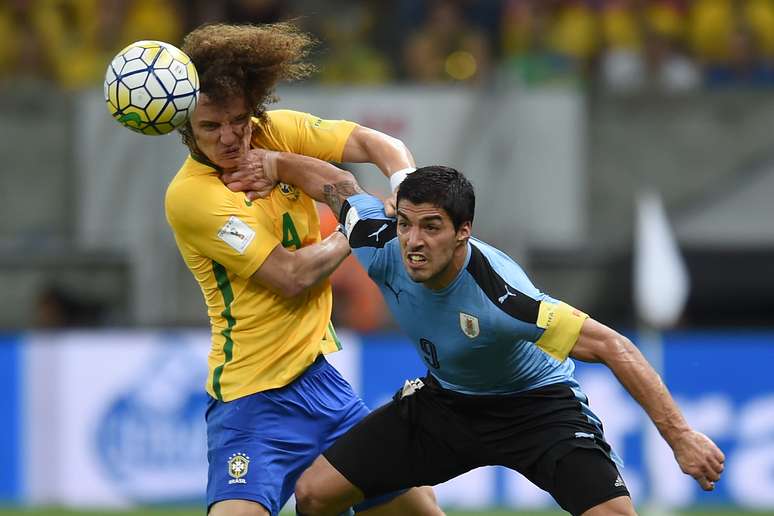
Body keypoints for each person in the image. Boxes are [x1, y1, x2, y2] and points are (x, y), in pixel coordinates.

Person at [225, 163, 725, 516]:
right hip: (448, 403)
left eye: (432, 228)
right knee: (314, 495)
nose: (414, 241)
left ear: (463, 231)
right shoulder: (379, 243)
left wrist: (680, 436)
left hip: (537, 410)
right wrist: (270, 162)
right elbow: (337, 184)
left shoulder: (505, 298)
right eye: (406, 224)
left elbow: (614, 347)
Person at [164, 22, 440, 516]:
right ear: (187, 128)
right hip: (250, 401)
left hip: (322, 385)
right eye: (210, 127)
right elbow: (291, 275)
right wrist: (362, 223)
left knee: (421, 510)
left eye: (238, 120)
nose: (229, 137)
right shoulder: (192, 197)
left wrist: (402, 186)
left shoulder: (277, 132)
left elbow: (381, 144)